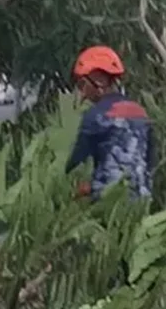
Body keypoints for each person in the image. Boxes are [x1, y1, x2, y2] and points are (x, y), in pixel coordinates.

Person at [65, 45, 155, 200]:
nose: (82, 92)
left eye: (82, 84)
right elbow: (151, 159)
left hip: (108, 202)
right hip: (141, 199)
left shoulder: (95, 116)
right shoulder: (141, 112)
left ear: (98, 80)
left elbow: (75, 162)